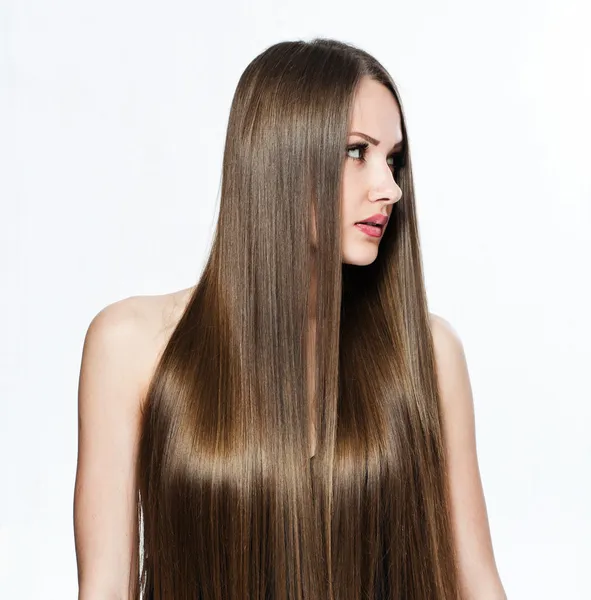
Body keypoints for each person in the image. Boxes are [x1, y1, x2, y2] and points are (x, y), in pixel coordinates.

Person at [73, 38, 507, 599]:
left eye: (393, 159)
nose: (391, 188)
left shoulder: (425, 352)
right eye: (357, 152)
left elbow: (476, 584)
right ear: (279, 157)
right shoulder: (133, 347)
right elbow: (105, 589)